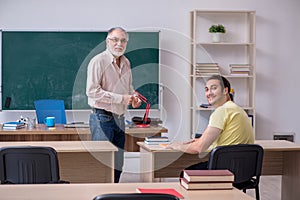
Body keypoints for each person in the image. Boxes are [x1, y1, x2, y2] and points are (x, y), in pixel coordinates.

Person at [86, 27, 142, 183]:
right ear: (107, 41)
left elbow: (128, 88)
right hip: (102, 118)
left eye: (123, 40)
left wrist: (134, 97)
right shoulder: (98, 61)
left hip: (120, 119)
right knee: (102, 165)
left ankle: (113, 193)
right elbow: (92, 91)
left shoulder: (126, 62)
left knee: (118, 165)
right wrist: (121, 99)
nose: (119, 44)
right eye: (115, 40)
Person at [167, 75, 254, 170]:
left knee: (186, 174)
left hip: (225, 171)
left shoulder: (222, 111)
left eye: (214, 88)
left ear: (225, 91)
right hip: (243, 171)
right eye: (207, 89)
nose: (209, 93)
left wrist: (177, 146)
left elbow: (199, 148)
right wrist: (200, 141)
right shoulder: (238, 110)